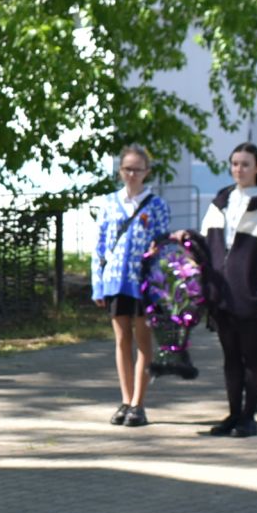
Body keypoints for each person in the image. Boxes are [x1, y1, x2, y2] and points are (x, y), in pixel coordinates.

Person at [197, 143, 257, 438]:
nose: (239, 169)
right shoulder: (221, 201)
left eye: (246, 164)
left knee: (252, 356)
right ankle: (233, 412)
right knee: (230, 357)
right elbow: (204, 244)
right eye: (235, 164)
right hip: (222, 295)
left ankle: (248, 416)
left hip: (251, 295)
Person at [90, 145, 170, 426]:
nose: (132, 174)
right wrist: (97, 285)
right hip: (115, 280)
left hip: (143, 282)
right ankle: (125, 400)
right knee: (122, 340)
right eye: (127, 169)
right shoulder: (110, 203)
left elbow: (164, 246)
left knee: (143, 341)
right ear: (120, 170)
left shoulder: (156, 205)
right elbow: (99, 246)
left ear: (147, 172)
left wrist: (159, 282)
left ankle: (139, 401)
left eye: (137, 169)